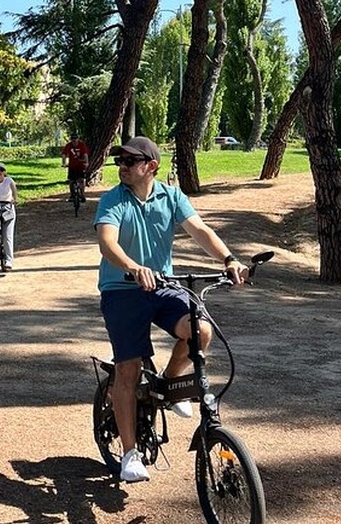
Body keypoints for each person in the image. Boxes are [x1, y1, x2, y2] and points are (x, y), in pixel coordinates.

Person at [93, 136, 249, 483]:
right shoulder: (113, 199)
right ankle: (130, 455)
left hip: (162, 285)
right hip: (122, 289)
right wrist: (133, 267)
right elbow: (107, 242)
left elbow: (200, 230)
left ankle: (171, 380)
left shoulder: (171, 196)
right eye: (120, 161)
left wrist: (229, 260)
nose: (122, 167)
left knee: (201, 330)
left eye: (130, 162)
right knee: (128, 368)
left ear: (150, 166)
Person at [61, 133, 89, 202]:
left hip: (81, 165)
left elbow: (85, 155)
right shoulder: (69, 145)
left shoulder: (82, 145)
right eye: (73, 140)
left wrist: (86, 162)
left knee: (82, 180)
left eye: (75, 140)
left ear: (78, 139)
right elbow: (64, 155)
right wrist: (64, 163)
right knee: (71, 181)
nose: (74, 142)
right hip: (72, 166)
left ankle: (82, 195)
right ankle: (72, 195)